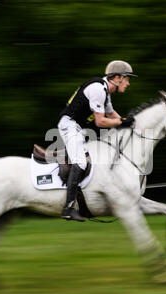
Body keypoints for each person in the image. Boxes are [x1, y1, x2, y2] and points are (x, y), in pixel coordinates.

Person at [58, 60, 137, 222]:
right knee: (80, 162)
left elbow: (111, 114)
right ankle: (68, 208)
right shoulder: (98, 90)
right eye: (127, 79)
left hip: (78, 127)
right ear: (117, 78)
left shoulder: (105, 92)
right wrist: (122, 122)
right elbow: (100, 122)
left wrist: (128, 122)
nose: (128, 83)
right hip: (69, 125)